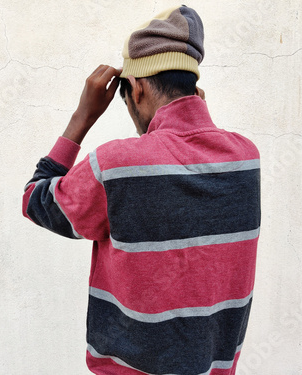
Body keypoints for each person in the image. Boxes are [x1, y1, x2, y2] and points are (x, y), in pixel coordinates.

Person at [22, 5, 260, 375]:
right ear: (195, 88)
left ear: (137, 87)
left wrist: (81, 118)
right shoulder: (246, 158)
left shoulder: (118, 165)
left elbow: (36, 200)